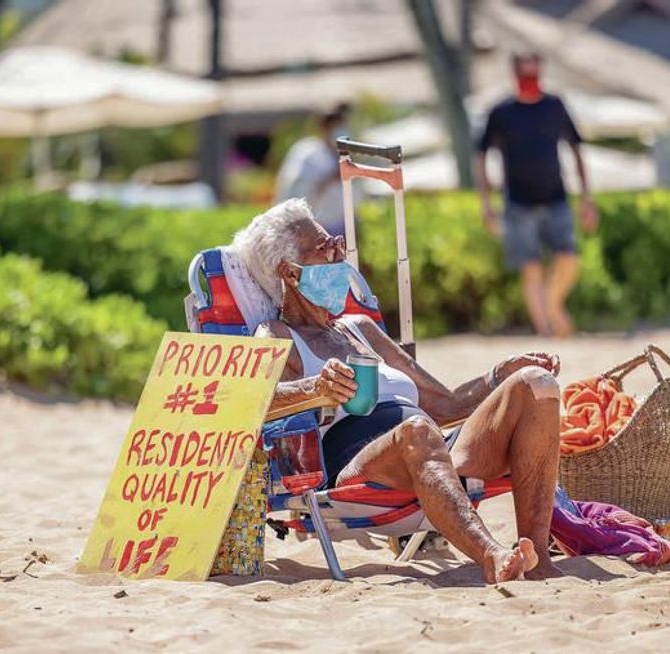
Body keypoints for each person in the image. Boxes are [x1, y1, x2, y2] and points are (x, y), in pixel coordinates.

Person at [233, 198, 564, 583]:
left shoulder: (360, 328)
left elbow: (444, 403)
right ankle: (491, 555)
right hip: (358, 465)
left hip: (432, 451)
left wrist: (499, 374)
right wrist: (314, 388)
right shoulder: (276, 335)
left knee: (537, 387)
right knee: (418, 433)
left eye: (338, 243)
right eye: (326, 249)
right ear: (290, 273)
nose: (340, 256)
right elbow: (249, 401)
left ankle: (538, 558)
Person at [475, 52, 598, 338]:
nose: (530, 81)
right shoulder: (501, 112)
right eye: (524, 75)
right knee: (531, 269)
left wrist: (586, 198)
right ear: (515, 75)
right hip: (517, 202)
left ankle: (553, 307)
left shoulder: (555, 106)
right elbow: (480, 155)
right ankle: (545, 331)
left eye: (533, 75)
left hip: (556, 197)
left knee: (568, 258)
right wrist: (486, 202)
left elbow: (577, 148)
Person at [274, 103, 353, 236]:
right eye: (335, 126)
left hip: (339, 229)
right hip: (309, 231)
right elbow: (295, 193)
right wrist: (329, 179)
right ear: (324, 127)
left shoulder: (341, 156)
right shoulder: (306, 152)